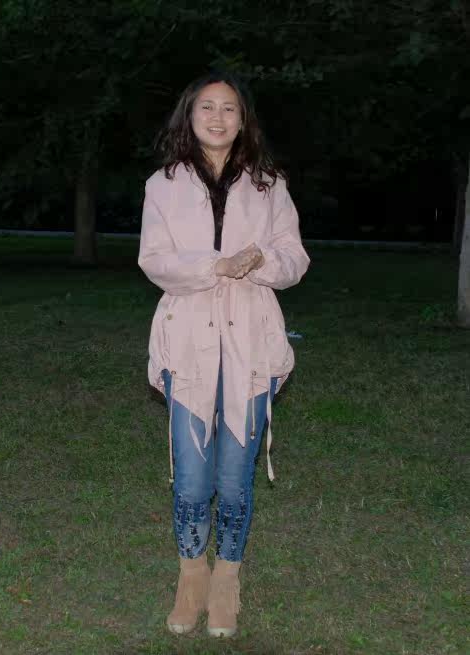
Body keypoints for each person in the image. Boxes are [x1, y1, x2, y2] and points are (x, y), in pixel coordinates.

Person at [138, 71, 310, 638]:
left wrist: (259, 261)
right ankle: (192, 579)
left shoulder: (269, 184)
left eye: (229, 108)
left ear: (243, 119)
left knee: (235, 480)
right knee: (192, 480)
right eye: (207, 107)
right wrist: (215, 266)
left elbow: (295, 260)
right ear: (189, 116)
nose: (218, 117)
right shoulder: (163, 185)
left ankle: (225, 584)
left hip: (251, 345)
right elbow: (154, 260)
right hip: (187, 342)